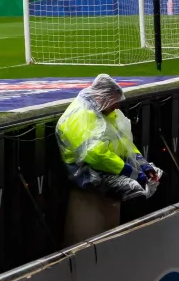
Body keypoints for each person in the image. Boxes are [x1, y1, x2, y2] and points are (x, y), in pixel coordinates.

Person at [57, 75, 160, 242]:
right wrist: (133, 173)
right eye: (115, 102)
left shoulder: (105, 111)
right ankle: (133, 238)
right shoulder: (82, 116)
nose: (117, 106)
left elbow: (123, 142)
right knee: (136, 192)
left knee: (156, 176)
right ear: (101, 97)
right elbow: (95, 155)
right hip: (85, 171)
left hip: (106, 164)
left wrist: (143, 165)